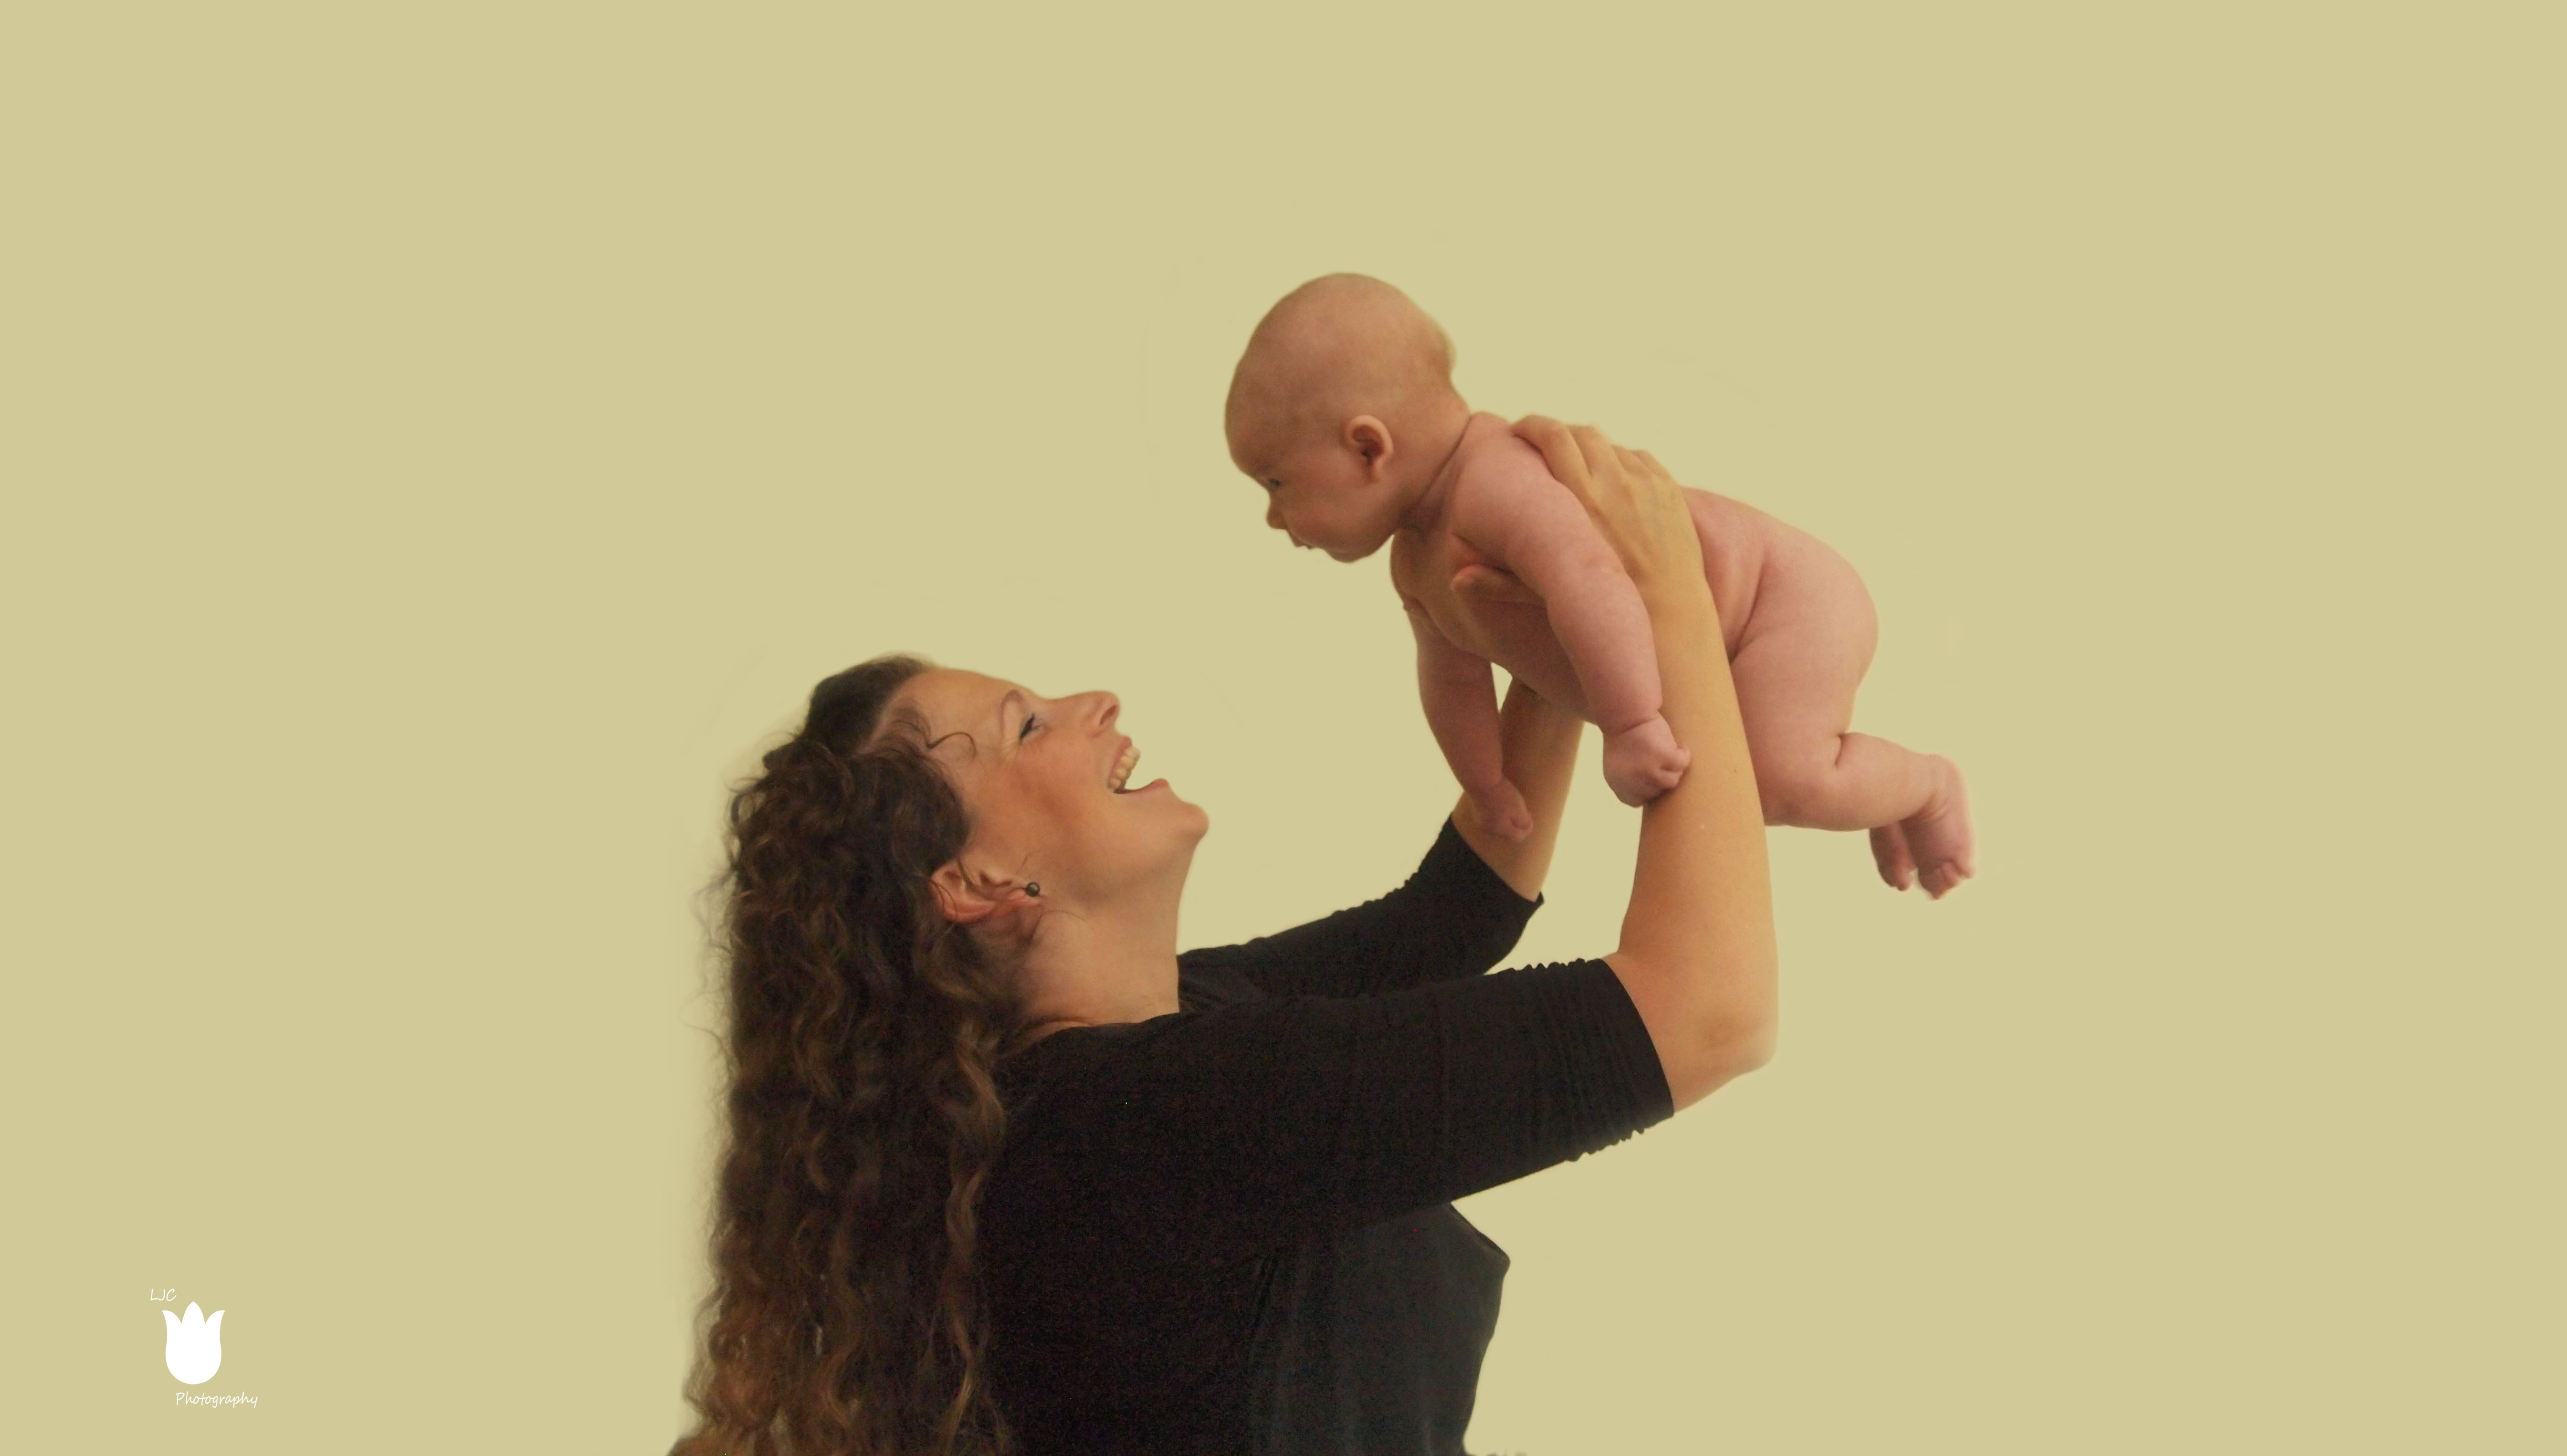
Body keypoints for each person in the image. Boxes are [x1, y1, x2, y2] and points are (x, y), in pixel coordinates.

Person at [671, 421, 1777, 1456]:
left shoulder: (1145, 1053)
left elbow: (1458, 913)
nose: (1096, 700)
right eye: (1028, 724)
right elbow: (1708, 1010)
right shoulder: (1140, 1123)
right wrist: (1666, 599)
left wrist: (1555, 622)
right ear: (978, 881)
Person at [1225, 273, 1976, 898]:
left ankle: (1926, 785)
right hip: (1733, 630)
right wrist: (1486, 784)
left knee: (1778, 780)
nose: (1271, 517)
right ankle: (1876, 791)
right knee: (1773, 771)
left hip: (1782, 600)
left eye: (1275, 483)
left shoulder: (1494, 482)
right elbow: (1450, 676)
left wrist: (1630, 723)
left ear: (1367, 448)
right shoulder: (1414, 560)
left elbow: (1592, 582)